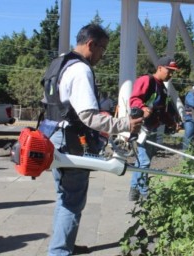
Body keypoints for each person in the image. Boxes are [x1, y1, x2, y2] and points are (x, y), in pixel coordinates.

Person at [45, 24, 143, 256]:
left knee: (65, 196)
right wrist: (124, 124)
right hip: (70, 140)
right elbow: (89, 116)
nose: (102, 54)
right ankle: (60, 251)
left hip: (53, 134)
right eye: (102, 49)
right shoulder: (81, 70)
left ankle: (63, 245)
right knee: (73, 201)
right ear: (91, 44)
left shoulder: (59, 62)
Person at [128, 56, 181, 201]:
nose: (171, 74)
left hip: (153, 128)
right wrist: (143, 107)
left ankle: (134, 190)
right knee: (144, 162)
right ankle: (144, 192)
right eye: (169, 71)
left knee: (143, 161)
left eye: (173, 72)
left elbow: (162, 111)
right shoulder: (147, 80)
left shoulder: (162, 89)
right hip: (142, 128)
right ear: (159, 68)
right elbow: (134, 99)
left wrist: (172, 123)